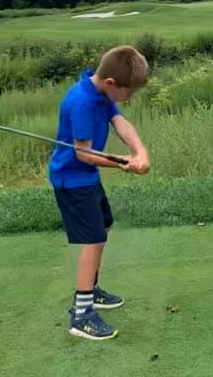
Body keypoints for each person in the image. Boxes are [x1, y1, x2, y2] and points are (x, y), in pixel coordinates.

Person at [48, 45, 151, 340]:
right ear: (110, 84)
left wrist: (139, 150)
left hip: (87, 178)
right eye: (128, 92)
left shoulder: (101, 94)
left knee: (103, 226)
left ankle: (91, 289)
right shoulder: (81, 101)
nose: (129, 98)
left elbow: (120, 122)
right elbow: (83, 154)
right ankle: (81, 314)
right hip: (72, 179)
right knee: (93, 238)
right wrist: (123, 163)